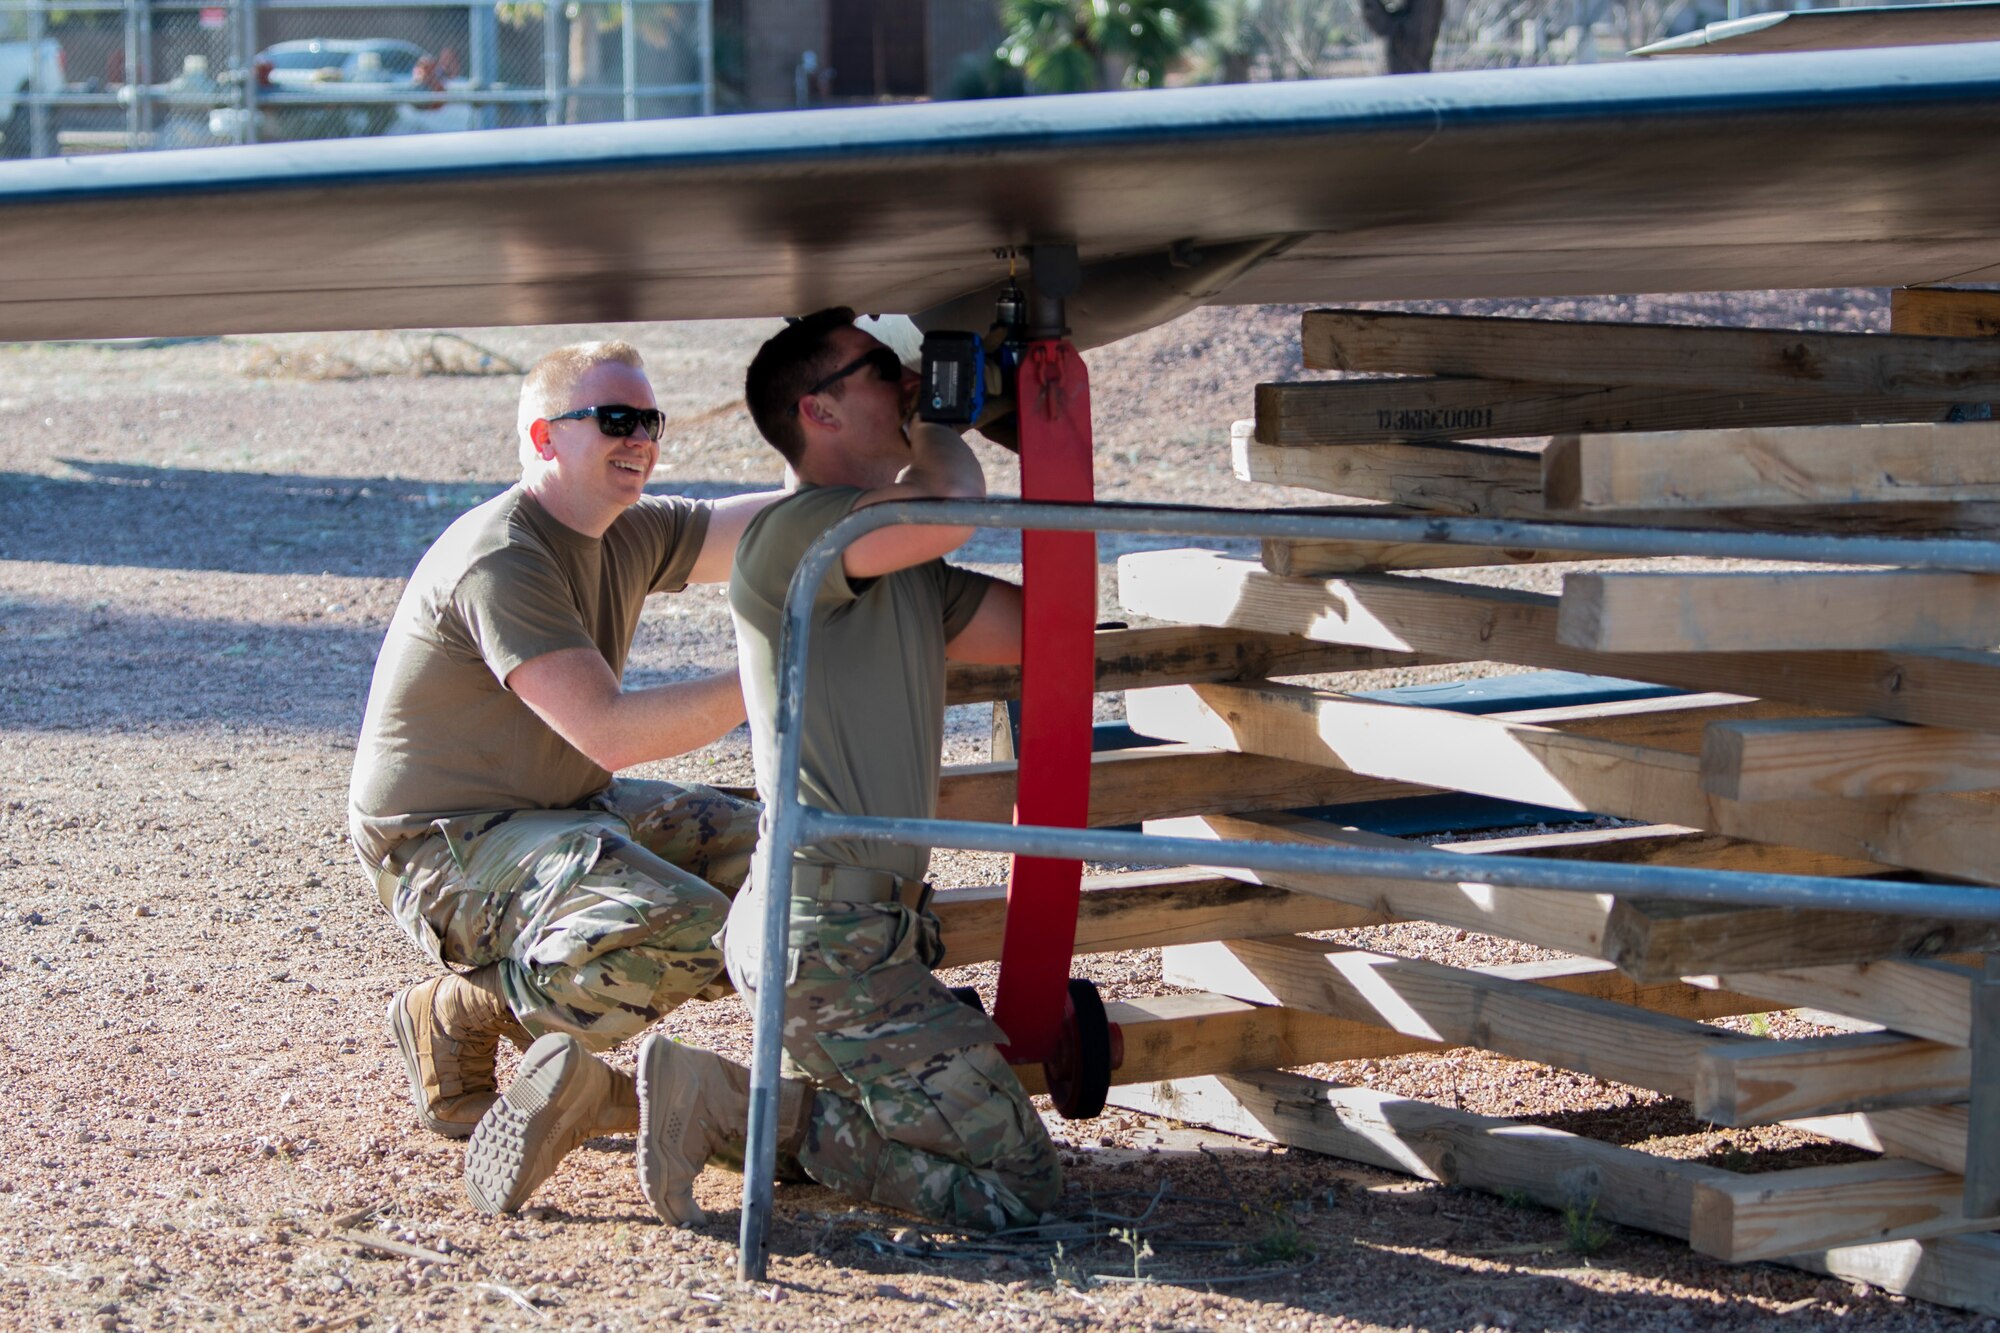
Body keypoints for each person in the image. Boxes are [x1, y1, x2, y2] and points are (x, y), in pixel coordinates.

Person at [630, 308, 1061, 1232]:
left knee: (929, 1136)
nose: (904, 382)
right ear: (817, 410)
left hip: (848, 930)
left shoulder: (889, 560)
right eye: (884, 369)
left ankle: (693, 1104)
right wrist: (947, 412)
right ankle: (726, 1106)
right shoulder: (793, 538)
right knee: (1017, 1183)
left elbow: (1042, 629)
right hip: (825, 931)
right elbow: (954, 507)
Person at [347, 339, 781, 1214]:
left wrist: (882, 462)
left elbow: (776, 528)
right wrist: (772, 677)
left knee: (792, 853)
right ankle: (463, 1009)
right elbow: (609, 730)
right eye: (616, 420)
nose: (642, 439)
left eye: (650, 421)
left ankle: (491, 1014)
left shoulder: (625, 528)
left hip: (565, 805)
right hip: (445, 840)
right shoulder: (502, 555)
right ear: (546, 438)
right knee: (689, 933)